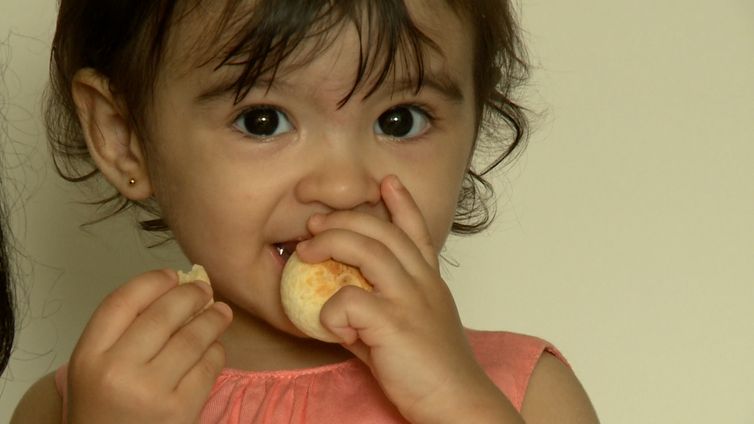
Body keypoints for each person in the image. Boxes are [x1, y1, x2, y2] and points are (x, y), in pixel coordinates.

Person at [13, 0, 599, 422]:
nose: (344, 188)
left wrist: (457, 400)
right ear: (123, 135)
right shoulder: (73, 405)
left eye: (401, 120)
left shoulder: (523, 392)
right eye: (261, 120)